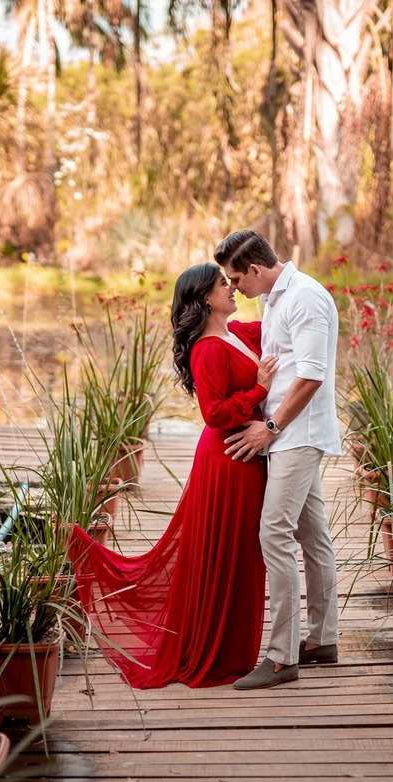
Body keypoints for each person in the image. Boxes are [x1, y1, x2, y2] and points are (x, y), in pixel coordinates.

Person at [67, 262, 279, 688]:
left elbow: (275, 327)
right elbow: (214, 413)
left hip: (247, 453)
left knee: (242, 553)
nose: (234, 288)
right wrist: (259, 390)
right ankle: (216, 651)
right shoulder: (207, 349)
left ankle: (234, 646)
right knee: (231, 549)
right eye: (225, 284)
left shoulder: (235, 334)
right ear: (205, 299)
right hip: (229, 458)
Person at [215, 230, 341, 691]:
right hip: (288, 432)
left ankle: (282, 656)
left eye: (235, 278)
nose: (233, 288)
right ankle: (322, 639)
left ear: (254, 268)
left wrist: (269, 429)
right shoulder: (274, 298)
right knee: (312, 533)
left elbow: (310, 376)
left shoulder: (305, 297)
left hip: (295, 435)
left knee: (275, 531)